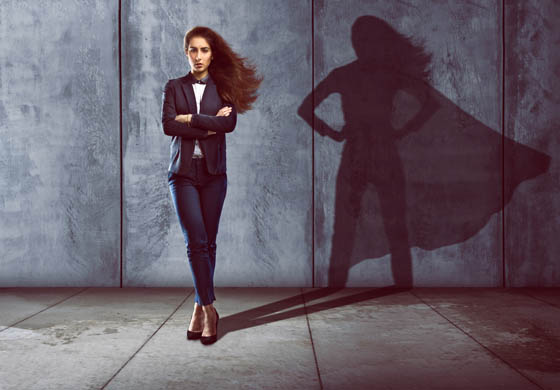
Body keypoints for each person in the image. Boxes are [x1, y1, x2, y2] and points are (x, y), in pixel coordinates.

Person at [162, 26, 261, 345]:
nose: (199, 55)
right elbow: (167, 125)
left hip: (214, 174)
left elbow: (228, 124)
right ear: (186, 52)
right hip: (183, 173)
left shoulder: (223, 87)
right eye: (193, 49)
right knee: (196, 242)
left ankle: (197, 308)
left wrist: (189, 120)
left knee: (209, 242)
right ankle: (210, 309)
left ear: (212, 53)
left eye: (204, 50)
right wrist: (207, 126)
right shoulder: (174, 86)